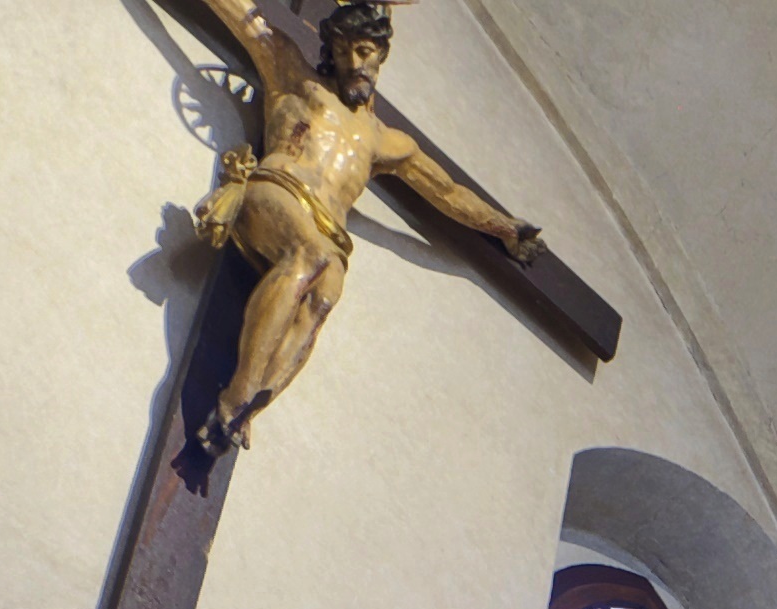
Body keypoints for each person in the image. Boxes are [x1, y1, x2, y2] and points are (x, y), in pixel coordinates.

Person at [178, 0, 546, 453]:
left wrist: (506, 228)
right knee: (310, 257)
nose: (354, 62)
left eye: (365, 51)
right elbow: (246, 20)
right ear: (331, 51)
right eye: (345, 51)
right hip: (278, 193)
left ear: (380, 56)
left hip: (327, 232)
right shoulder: (298, 78)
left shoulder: (386, 141)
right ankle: (236, 394)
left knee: (325, 294)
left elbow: (447, 192)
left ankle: (251, 407)